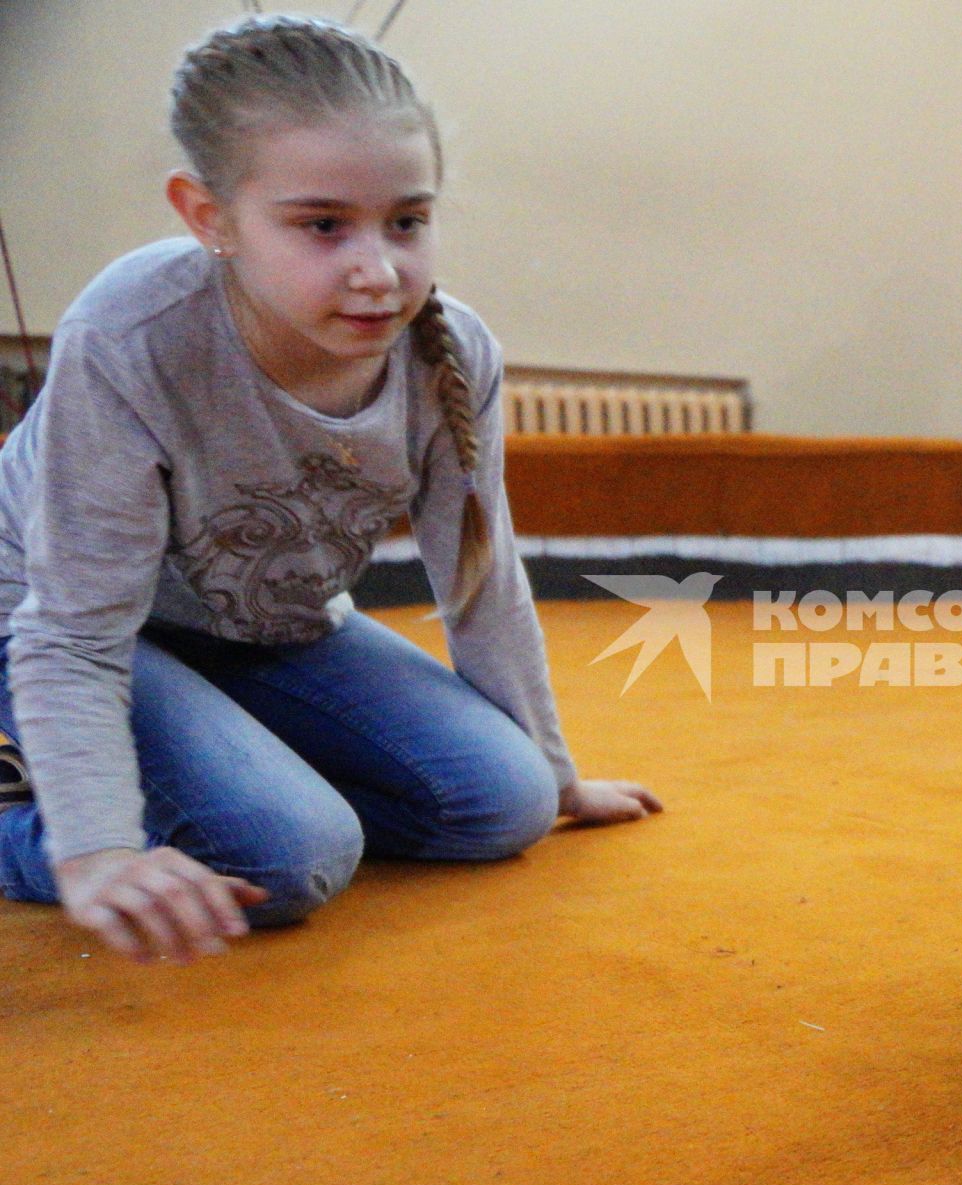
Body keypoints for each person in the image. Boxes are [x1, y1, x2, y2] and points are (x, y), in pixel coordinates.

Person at [0, 14, 662, 966]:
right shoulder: (130, 337)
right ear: (208, 217)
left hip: (257, 628)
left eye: (408, 221)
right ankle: (37, 817)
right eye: (321, 225)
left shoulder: (452, 351)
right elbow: (72, 630)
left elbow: (480, 578)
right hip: (55, 620)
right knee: (280, 853)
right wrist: (96, 849)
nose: (378, 271)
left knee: (498, 804)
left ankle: (221, 766)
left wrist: (556, 778)